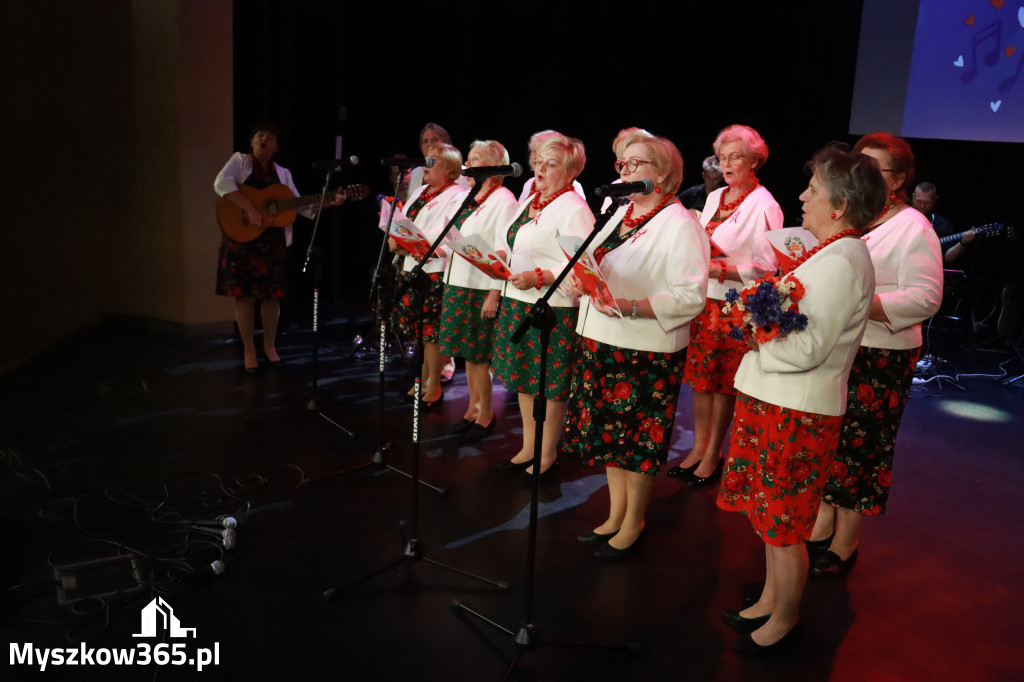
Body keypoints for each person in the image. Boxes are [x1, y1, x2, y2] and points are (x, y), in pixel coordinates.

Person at [717, 145, 885, 655]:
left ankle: (785, 617)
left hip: (796, 409)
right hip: (777, 399)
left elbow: (810, 348)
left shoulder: (843, 260)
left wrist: (753, 328)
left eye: (813, 191)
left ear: (838, 207)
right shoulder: (828, 253)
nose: (802, 197)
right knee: (769, 515)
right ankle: (770, 599)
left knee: (785, 520)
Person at [563, 131, 708, 558]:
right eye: (622, 163)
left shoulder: (680, 224)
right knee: (610, 437)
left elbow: (689, 296)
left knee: (636, 443)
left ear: (662, 173)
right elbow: (594, 263)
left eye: (636, 163)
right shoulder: (618, 213)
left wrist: (631, 305)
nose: (624, 170)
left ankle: (634, 521)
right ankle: (614, 514)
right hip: (600, 340)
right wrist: (579, 279)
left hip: (644, 350)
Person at [806, 132, 943, 578]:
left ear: (899, 179)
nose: (860, 173)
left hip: (883, 353)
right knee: (835, 438)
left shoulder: (913, 227)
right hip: (843, 345)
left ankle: (846, 542)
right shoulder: (853, 213)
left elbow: (926, 298)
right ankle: (823, 519)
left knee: (864, 448)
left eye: (875, 168)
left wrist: (865, 303)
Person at [672, 125, 783, 487]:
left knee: (722, 384)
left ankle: (713, 454)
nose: (728, 164)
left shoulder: (765, 204)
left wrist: (724, 269)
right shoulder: (715, 197)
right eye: (723, 158)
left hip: (734, 306)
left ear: (755, 160)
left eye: (736, 157)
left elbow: (768, 266)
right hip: (706, 302)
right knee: (700, 382)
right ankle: (697, 447)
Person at [492, 134, 594, 484]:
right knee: (524, 379)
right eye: (538, 163)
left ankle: (547, 453)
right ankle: (528, 446)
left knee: (549, 385)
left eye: (551, 165)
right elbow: (518, 243)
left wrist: (539, 276)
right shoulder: (532, 199)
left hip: (553, 309)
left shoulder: (575, 209)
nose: (540, 170)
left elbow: (583, 267)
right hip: (518, 302)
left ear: (571, 172)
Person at [214, 123, 344, 373]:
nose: (263, 138)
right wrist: (250, 209)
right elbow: (221, 183)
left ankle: (270, 346)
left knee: (272, 297)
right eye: (258, 135)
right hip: (242, 241)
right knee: (245, 296)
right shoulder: (240, 162)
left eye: (270, 136)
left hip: (271, 242)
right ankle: (249, 349)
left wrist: (329, 201)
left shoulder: (283, 174)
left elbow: (301, 207)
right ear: (252, 142)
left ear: (276, 147)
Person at [438, 140, 519, 440]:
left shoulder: (504, 199)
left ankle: (486, 413)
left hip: (480, 287)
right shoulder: (472, 195)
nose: (468, 165)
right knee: (467, 355)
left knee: (479, 356)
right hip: (458, 282)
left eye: (476, 159)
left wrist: (494, 292)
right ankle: (472, 408)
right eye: (468, 159)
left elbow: (503, 252)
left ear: (495, 165)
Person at [389, 142, 465, 406]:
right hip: (409, 266)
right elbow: (403, 221)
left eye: (433, 161)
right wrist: (395, 239)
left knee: (431, 333)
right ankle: (421, 379)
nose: (426, 165)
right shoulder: (420, 191)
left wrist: (412, 242)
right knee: (417, 330)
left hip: (433, 270)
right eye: (426, 160)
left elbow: (446, 231)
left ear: (450, 168)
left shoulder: (457, 194)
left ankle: (434, 385)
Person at [517, 130, 586, 203]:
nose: (535, 157)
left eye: (541, 151)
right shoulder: (529, 183)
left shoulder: (573, 188)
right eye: (534, 151)